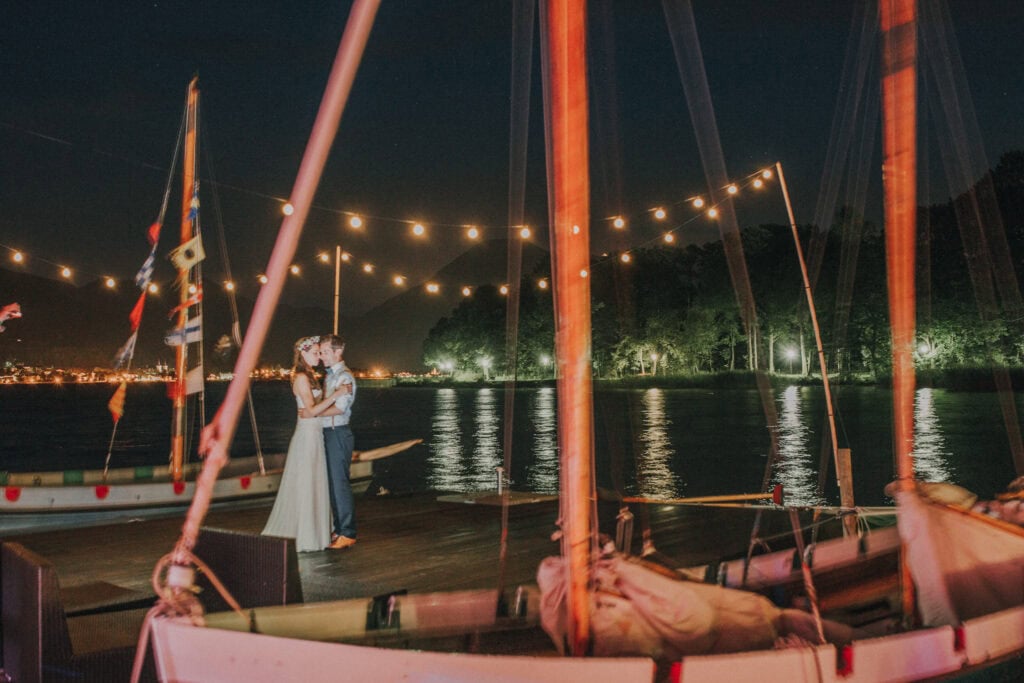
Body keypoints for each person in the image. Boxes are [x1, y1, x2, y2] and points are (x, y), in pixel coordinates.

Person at [262, 336, 343, 552]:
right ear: (303, 354)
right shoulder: (300, 378)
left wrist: (335, 407)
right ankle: (306, 534)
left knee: (316, 481)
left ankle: (318, 531)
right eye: (315, 352)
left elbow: (314, 410)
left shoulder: (311, 377)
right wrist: (337, 394)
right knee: (307, 482)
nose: (319, 355)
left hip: (315, 433)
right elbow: (311, 410)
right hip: (307, 436)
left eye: (319, 352)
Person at [319, 333, 358, 549]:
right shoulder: (330, 376)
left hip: (338, 431)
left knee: (340, 483)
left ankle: (348, 532)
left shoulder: (345, 377)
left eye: (325, 352)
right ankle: (339, 529)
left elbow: (340, 408)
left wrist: (313, 413)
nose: (322, 356)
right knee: (333, 484)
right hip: (328, 432)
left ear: (338, 351)